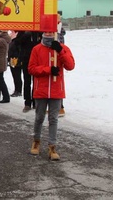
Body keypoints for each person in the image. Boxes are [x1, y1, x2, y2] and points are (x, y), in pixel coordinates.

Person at [28, 31, 75, 161]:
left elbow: (70, 66)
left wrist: (60, 51)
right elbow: (31, 68)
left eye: (51, 31)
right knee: (39, 117)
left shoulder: (63, 49)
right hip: (41, 90)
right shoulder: (37, 49)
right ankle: (36, 141)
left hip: (56, 90)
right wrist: (48, 70)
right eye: (47, 31)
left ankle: (52, 146)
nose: (49, 34)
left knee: (53, 119)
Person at [9, 31, 36, 112]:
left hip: (36, 61)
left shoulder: (39, 32)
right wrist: (26, 34)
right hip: (26, 60)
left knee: (36, 82)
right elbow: (17, 42)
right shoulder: (24, 31)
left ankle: (35, 102)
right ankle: (27, 103)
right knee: (27, 82)